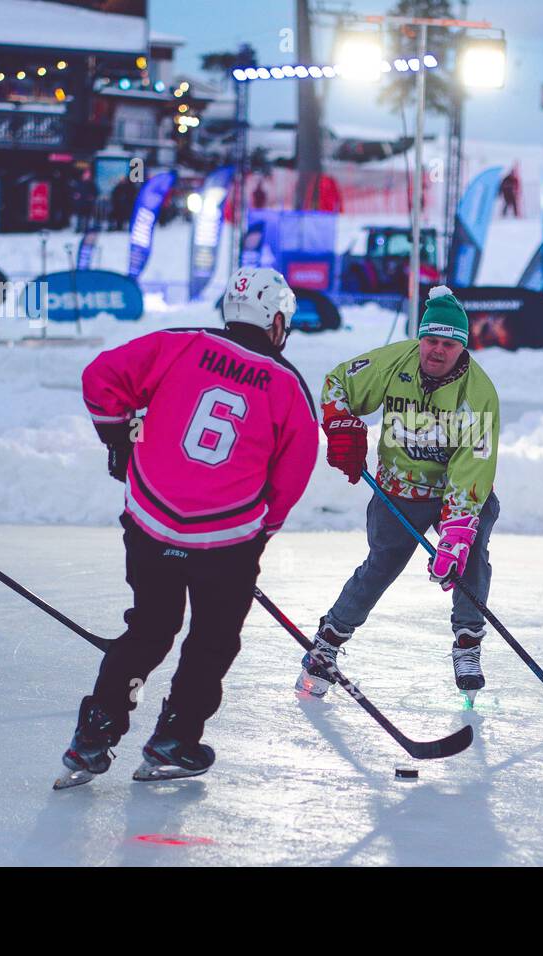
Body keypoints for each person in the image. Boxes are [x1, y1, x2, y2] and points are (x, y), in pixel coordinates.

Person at [58, 266, 318, 787]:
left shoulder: (178, 344)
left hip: (150, 521)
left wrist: (120, 440)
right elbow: (292, 473)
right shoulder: (289, 386)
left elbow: (101, 379)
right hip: (225, 541)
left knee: (149, 630)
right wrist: (257, 534)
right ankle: (175, 738)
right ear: (274, 322)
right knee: (212, 640)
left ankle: (94, 737)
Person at [298, 285, 501, 702]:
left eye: (448, 344)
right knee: (381, 566)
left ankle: (467, 644)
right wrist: (340, 427)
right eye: (431, 341)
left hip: (454, 492)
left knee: (471, 556)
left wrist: (456, 533)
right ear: (421, 338)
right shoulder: (394, 362)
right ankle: (325, 645)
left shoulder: (479, 393)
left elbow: (473, 467)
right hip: (399, 489)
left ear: (462, 348)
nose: (437, 351)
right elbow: (338, 383)